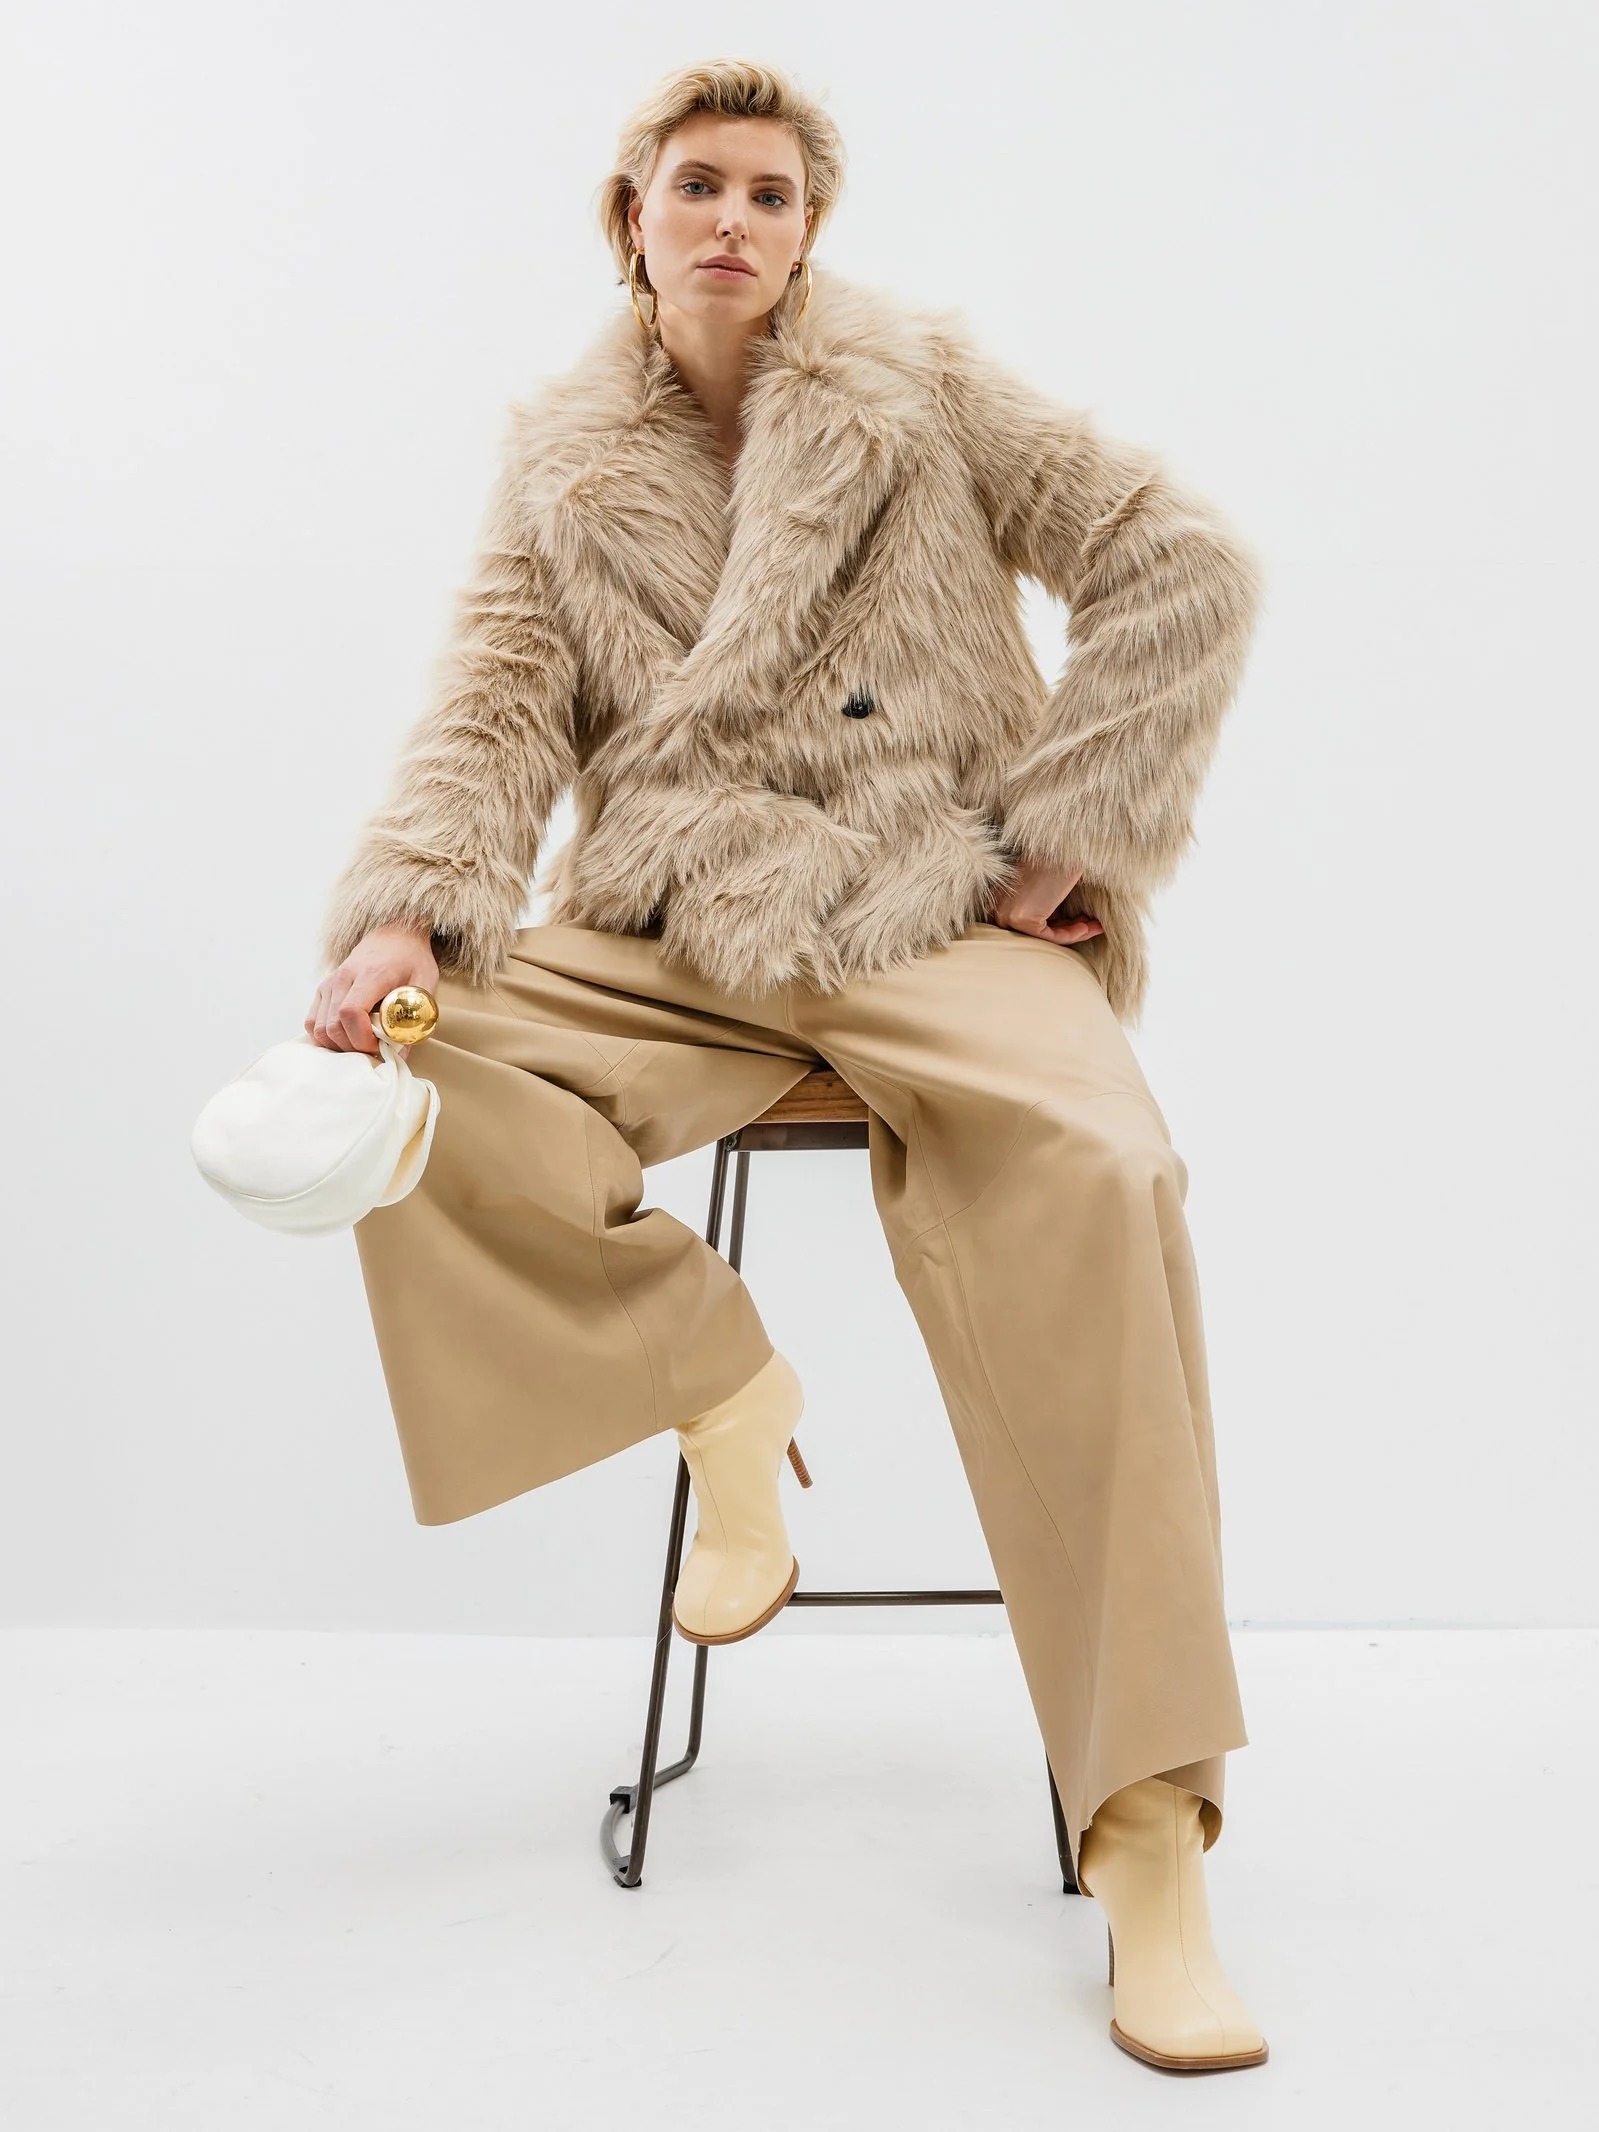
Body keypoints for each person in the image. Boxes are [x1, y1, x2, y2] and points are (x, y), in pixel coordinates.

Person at [306, 58, 1269, 2073]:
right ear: (630, 220)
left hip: (924, 895)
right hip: (673, 926)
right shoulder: (563, 461)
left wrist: (1059, 832)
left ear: (807, 228)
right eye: (696, 187)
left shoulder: (916, 383)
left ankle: (1149, 1834)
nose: (731, 218)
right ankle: (722, 1394)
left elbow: (1179, 560)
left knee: (1111, 1179)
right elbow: (496, 704)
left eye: (768, 190)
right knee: (407, 1056)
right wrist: (408, 906)